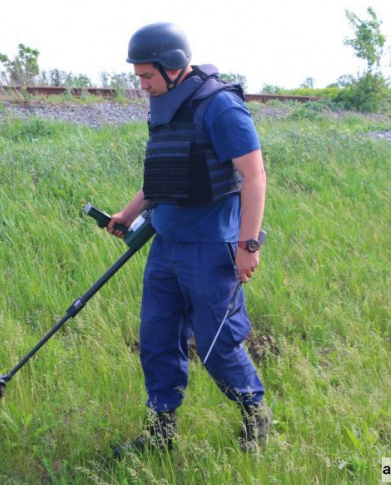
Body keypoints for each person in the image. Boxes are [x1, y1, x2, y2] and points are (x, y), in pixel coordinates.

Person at [108, 22, 271, 454]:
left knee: (217, 346)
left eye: (146, 76)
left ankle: (256, 417)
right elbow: (164, 173)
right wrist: (129, 212)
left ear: (174, 65)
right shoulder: (164, 106)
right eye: (138, 77)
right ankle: (161, 431)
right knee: (157, 339)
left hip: (211, 249)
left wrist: (247, 245)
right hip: (165, 247)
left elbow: (254, 176)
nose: (142, 86)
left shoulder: (220, 107)